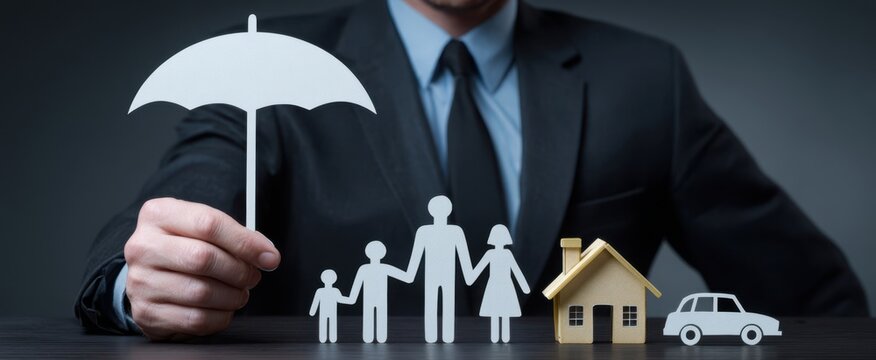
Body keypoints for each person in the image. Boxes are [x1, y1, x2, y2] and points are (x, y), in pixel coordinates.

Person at [75, 0, 868, 340]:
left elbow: (820, 304)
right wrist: (139, 282)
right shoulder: (268, 75)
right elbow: (165, 218)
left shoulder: (643, 80)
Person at [403, 195, 475, 343]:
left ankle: (443, 336)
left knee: (443, 304)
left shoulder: (454, 232)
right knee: (436, 304)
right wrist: (409, 274)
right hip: (435, 275)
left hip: (445, 275)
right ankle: (435, 336)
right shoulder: (426, 232)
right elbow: (416, 255)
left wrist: (469, 274)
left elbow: (463, 255)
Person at [467, 224, 530, 343]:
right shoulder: (491, 254)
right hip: (494, 285)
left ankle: (504, 337)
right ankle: (495, 337)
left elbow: (515, 270)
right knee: (495, 311)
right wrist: (471, 277)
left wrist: (524, 286)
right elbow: (480, 268)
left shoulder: (507, 254)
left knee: (504, 311)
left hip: (504, 285)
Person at [346, 241, 411, 343]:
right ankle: (376, 337)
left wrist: (351, 298)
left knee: (374, 316)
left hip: (375, 299)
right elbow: (407, 277)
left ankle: (373, 337)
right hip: (376, 299)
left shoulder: (364, 268)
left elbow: (407, 277)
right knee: (377, 316)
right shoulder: (379, 268)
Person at [308, 269, 351, 343]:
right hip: (326, 312)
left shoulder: (334, 291)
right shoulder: (321, 291)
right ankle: (325, 338)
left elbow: (340, 299)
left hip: (331, 312)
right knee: (326, 323)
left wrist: (350, 300)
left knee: (331, 324)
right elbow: (316, 302)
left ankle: (331, 338)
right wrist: (312, 311)